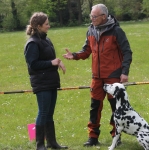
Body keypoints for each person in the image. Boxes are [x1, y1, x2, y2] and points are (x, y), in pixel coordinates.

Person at [63, 3, 132, 147]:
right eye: (91, 16)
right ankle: (92, 137)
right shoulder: (90, 30)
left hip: (113, 76)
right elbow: (86, 51)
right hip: (97, 77)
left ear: (104, 16)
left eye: (94, 16)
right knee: (95, 107)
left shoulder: (116, 31)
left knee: (116, 107)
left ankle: (116, 135)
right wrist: (74, 55)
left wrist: (124, 72)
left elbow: (127, 52)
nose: (92, 19)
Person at [24, 12, 68, 150]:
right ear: (38, 26)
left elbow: (49, 60)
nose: (49, 26)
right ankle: (40, 145)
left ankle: (52, 143)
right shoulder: (32, 43)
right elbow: (33, 64)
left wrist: (58, 62)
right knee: (43, 112)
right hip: (41, 83)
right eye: (46, 24)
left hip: (51, 81)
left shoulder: (46, 40)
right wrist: (51, 63)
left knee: (49, 113)